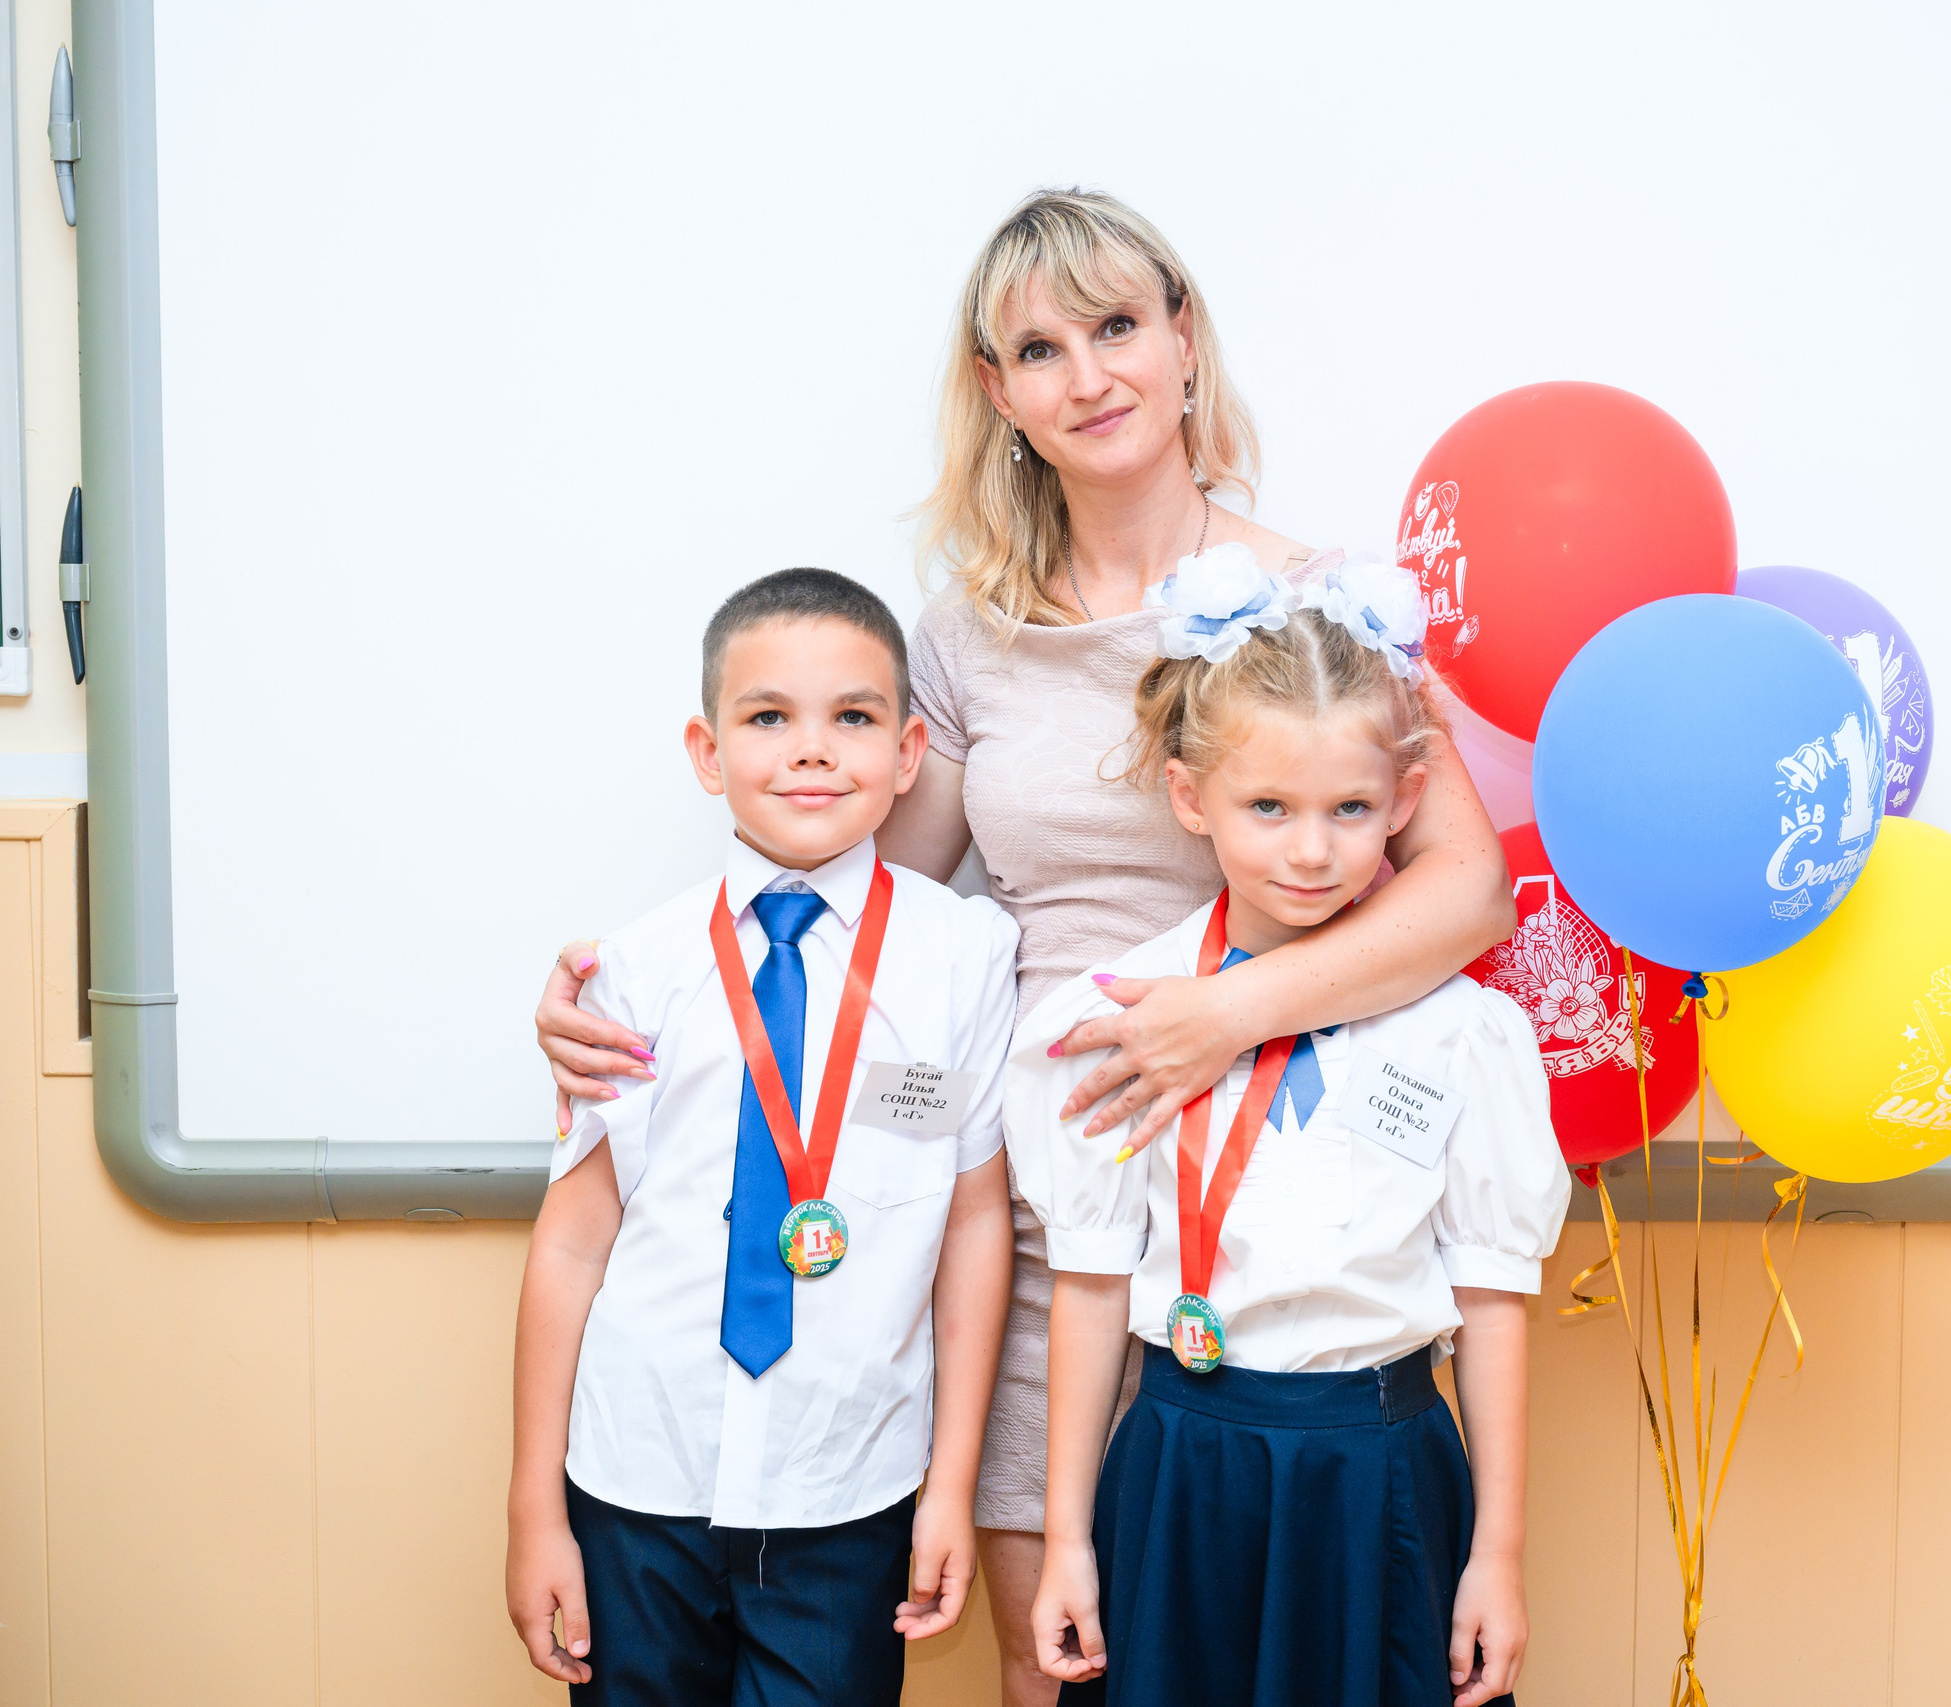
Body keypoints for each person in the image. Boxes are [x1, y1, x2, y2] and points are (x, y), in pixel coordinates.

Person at [530, 189, 1518, 1702]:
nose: (1090, 373)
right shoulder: (967, 634)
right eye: (1040, 348)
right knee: (1052, 1666)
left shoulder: (1313, 602)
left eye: (1119, 325)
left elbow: (1464, 891)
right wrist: (622, 1002)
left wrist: (1225, 1015)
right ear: (1001, 394)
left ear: (1184, 336)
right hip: (1055, 1228)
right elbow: (867, 906)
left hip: (1274, 1232)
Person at [1008, 553, 1567, 1707]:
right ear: (1188, 797)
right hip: (1178, 1469)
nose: (1310, 851)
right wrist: (1067, 1536)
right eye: (1268, 808)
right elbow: (1092, 1286)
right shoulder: (1119, 1020)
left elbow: (1495, 1301)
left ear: (1404, 805)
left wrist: (1496, 1557)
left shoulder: (1465, 1036)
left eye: (1349, 811)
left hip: (1385, 1473)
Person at [506, 569, 1017, 1705]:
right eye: (768, 717)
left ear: (908, 750)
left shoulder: (962, 959)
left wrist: (949, 1486)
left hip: (849, 1483)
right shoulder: (633, 969)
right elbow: (572, 1244)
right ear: (706, 751)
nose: (812, 751)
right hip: (638, 1474)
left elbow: (976, 1222)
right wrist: (535, 1510)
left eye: (853, 718)